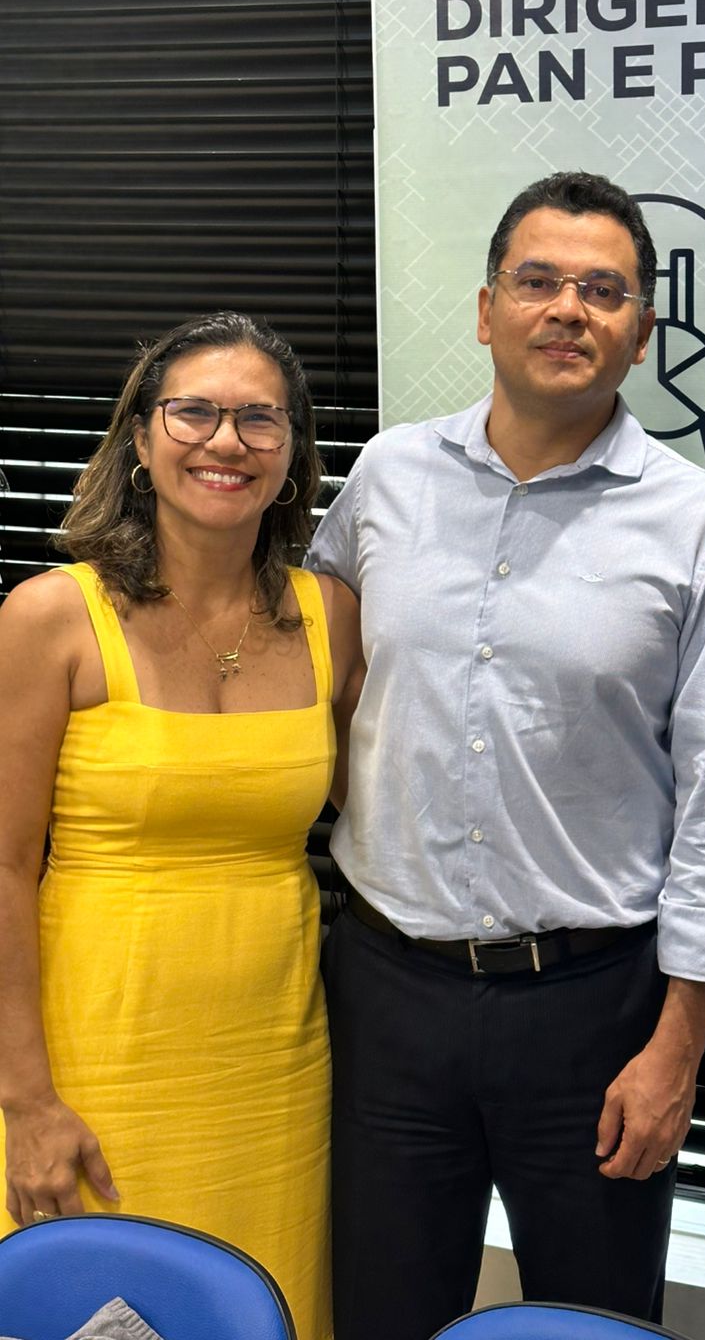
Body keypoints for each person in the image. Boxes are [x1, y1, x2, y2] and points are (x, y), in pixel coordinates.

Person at [307, 170, 705, 1340]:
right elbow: (309, 682)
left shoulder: (699, 520)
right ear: (485, 309)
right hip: (387, 992)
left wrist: (679, 1047)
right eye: (539, 281)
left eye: (603, 290)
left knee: (588, 1323)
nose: (568, 308)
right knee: (381, 1314)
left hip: (595, 1012)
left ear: (642, 332)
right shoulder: (386, 478)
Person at [0, 311, 364, 1340]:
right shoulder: (52, 617)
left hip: (275, 1067)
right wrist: (26, 1100)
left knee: (269, 1304)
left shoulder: (332, 617)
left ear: (292, 456)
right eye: (193, 412)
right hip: (96, 1059)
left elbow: (391, 811)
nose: (226, 441)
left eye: (260, 419)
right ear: (141, 439)